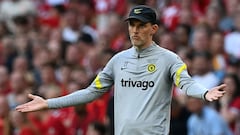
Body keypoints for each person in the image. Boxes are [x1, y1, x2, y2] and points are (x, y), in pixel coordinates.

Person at [16, 5, 227, 135]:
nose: (135, 30)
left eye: (141, 25)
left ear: (153, 29)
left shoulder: (170, 59)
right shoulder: (118, 61)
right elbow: (91, 92)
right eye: (132, 25)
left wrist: (205, 93)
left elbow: (186, 83)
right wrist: (48, 103)